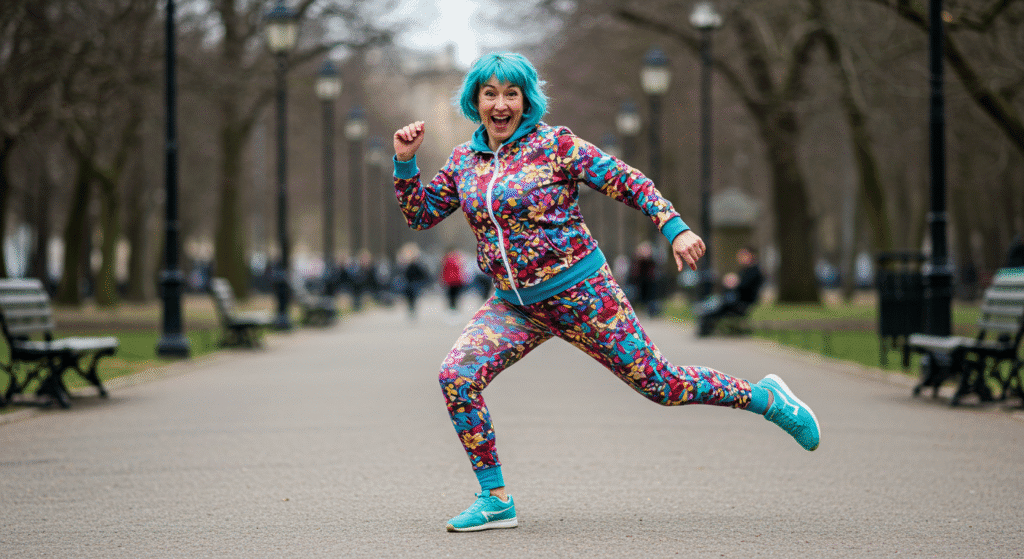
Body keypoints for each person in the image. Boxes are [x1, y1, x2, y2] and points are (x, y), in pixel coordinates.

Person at [392, 52, 819, 533]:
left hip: (582, 295)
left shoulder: (556, 145)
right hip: (514, 306)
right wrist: (405, 164)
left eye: (511, 93)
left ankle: (766, 398)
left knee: (663, 386)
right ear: (476, 101)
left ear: (526, 99)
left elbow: (627, 181)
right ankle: (495, 498)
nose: (501, 103)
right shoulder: (464, 161)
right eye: (490, 94)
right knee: (456, 377)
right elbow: (421, 215)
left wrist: (673, 227)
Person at [695, 246, 765, 337]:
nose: (740, 258)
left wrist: (733, 283)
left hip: (740, 302)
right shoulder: (746, 270)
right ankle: (705, 325)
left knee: (713, 305)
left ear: (751, 255)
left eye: (743, 255)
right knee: (711, 304)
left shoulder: (754, 271)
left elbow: (743, 287)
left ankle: (705, 327)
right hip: (733, 299)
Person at [627, 241, 660, 316]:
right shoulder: (635, 261)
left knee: (651, 296)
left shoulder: (651, 262)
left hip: (648, 285)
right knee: (631, 292)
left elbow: (653, 274)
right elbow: (632, 275)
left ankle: (651, 311)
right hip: (637, 285)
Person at [440, 248, 468, 313]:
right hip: (453, 281)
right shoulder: (455, 261)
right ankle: (453, 308)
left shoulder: (447, 261)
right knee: (453, 295)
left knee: (453, 295)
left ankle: (453, 308)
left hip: (454, 281)